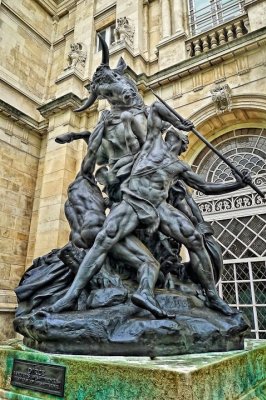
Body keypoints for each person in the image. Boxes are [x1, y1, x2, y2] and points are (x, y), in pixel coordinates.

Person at [49, 102, 251, 316]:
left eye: (181, 141)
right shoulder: (153, 142)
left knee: (194, 239)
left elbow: (206, 187)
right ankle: (70, 296)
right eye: (177, 136)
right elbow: (155, 107)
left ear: (183, 148)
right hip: (133, 202)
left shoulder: (179, 166)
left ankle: (211, 296)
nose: (179, 141)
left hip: (159, 206)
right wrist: (180, 122)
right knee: (102, 242)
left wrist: (238, 184)